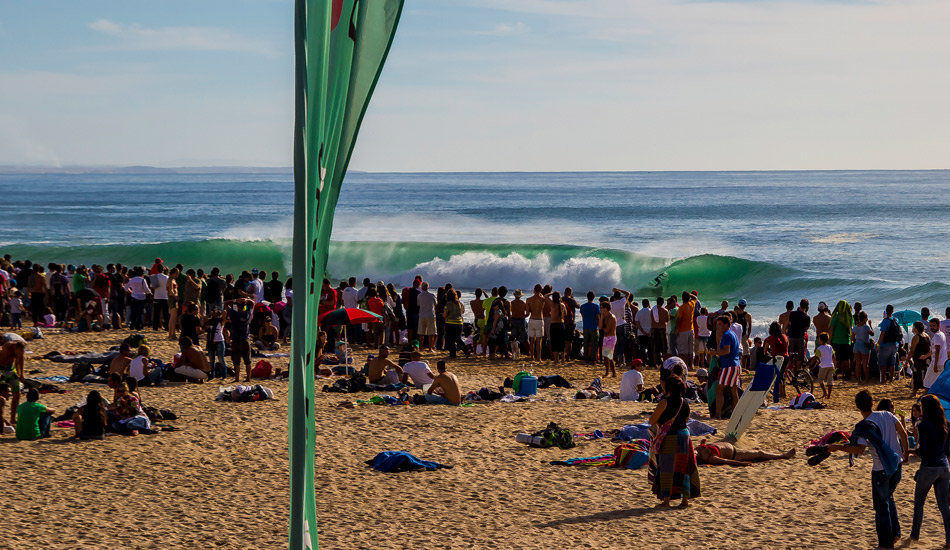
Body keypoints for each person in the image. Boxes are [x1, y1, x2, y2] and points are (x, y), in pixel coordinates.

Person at [828, 390, 909, 550]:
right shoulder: (887, 414)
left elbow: (859, 450)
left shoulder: (864, 427)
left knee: (881, 506)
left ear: (857, 407)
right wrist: (905, 453)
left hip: (881, 469)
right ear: (872, 403)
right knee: (889, 498)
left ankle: (885, 544)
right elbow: (903, 433)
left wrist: (837, 447)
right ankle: (895, 534)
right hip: (897, 465)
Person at [648, 375, 700, 508]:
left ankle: (666, 501)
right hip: (684, 436)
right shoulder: (685, 402)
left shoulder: (664, 402)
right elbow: (687, 420)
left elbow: (651, 421)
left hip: (670, 437)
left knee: (667, 468)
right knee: (683, 468)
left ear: (668, 388)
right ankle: (685, 500)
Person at [908, 394, 950, 546]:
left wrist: (912, 452)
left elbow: (922, 449)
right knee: (944, 505)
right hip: (944, 467)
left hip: (929, 467)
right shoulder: (945, 423)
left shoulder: (924, 425)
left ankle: (914, 536)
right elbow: (948, 449)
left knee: (919, 503)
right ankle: (949, 539)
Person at [710, 315, 741, 420]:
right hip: (735, 365)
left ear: (726, 324)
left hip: (728, 366)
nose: (718, 327)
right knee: (733, 391)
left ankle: (718, 414)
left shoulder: (727, 335)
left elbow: (726, 350)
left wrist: (715, 352)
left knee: (719, 389)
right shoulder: (732, 334)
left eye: (720, 325)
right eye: (717, 325)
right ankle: (735, 414)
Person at [694, 439, 796, 466]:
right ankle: (783, 456)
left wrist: (703, 443)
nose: (693, 452)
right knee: (760, 453)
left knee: (756, 451)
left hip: (732, 447)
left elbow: (703, 442)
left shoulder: (697, 449)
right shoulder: (709, 458)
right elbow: (726, 461)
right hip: (736, 455)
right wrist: (742, 464)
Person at [225, 298, 253, 383]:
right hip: (245, 339)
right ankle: (248, 377)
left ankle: (237, 378)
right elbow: (252, 303)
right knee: (247, 361)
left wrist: (235, 300)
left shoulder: (234, 314)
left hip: (236, 340)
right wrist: (246, 300)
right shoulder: (247, 314)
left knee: (236, 361)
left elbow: (225, 303)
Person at [0, 339, 26, 425]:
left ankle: (12, 417)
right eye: (19, 352)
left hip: (10, 370)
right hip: (1, 369)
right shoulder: (7, 347)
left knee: (17, 393)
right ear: (15, 348)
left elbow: (20, 361)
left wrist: (21, 374)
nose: (19, 354)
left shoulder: (21, 350)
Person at [830, 300, 855, 380]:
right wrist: (852, 340)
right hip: (846, 341)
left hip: (836, 341)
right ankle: (847, 374)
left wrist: (829, 339)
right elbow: (852, 330)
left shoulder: (836, 316)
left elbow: (831, 328)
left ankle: (835, 374)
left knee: (837, 359)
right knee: (846, 359)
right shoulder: (849, 316)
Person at [878, 305, 904, 383]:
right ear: (893, 311)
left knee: (883, 363)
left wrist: (878, 344)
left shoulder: (885, 321)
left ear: (886, 310)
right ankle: (891, 378)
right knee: (892, 362)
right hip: (894, 344)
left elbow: (882, 334)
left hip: (885, 345)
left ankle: (883, 379)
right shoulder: (896, 320)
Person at [787, 299, 811, 373]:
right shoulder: (807, 317)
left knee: (790, 355)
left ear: (800, 304)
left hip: (791, 337)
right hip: (800, 338)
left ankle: (789, 371)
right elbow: (806, 329)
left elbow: (790, 323)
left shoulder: (792, 314)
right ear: (807, 307)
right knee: (800, 357)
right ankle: (797, 372)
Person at [908, 322, 931, 398]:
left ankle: (914, 392)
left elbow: (912, 351)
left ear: (916, 329)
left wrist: (907, 360)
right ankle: (925, 391)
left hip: (919, 360)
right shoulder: (927, 336)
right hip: (927, 359)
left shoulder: (916, 337)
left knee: (916, 375)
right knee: (926, 375)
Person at [925, 317, 948, 390]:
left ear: (938, 326)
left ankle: (926, 397)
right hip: (942, 362)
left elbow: (937, 350)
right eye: (931, 326)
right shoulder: (941, 334)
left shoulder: (937, 336)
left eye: (934, 326)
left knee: (927, 382)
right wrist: (926, 356)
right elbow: (934, 350)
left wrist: (935, 365)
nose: (932, 327)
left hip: (937, 363)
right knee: (938, 382)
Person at [674, 291, 696, 368]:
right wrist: (690, 295)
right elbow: (695, 298)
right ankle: (692, 365)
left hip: (683, 330)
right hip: (691, 329)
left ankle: (686, 364)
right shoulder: (692, 304)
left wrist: (676, 329)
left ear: (682, 298)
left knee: (683, 349)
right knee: (690, 348)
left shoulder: (681, 308)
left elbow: (679, 320)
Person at [526, 284, 546, 362]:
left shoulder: (528, 299)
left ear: (534, 289)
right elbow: (546, 297)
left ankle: (531, 357)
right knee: (538, 340)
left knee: (532, 340)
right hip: (539, 320)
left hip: (531, 319)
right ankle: (538, 357)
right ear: (541, 290)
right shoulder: (542, 299)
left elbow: (527, 313)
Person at [853, 311, 875, 383]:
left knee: (858, 364)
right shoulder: (866, 327)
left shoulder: (855, 327)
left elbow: (852, 337)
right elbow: (872, 334)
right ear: (865, 318)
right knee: (865, 364)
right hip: (864, 345)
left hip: (857, 345)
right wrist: (870, 325)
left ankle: (859, 380)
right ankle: (866, 380)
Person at [580, 291, 601, 363]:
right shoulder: (596, 306)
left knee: (585, 344)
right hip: (594, 327)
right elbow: (598, 317)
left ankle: (585, 358)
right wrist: (599, 326)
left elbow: (582, 316)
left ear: (587, 297)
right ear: (594, 297)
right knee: (594, 344)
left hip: (585, 327)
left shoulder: (583, 306)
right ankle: (593, 359)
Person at [416, 282, 437, 353]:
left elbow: (418, 304)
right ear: (428, 287)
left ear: (422, 287)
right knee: (431, 333)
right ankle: (430, 349)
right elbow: (435, 304)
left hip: (422, 315)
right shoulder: (432, 295)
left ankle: (421, 347)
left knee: (421, 332)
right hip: (430, 315)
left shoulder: (419, 296)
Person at [815, 333, 835, 400]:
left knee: (820, 379)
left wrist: (810, 364)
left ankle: (824, 392)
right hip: (831, 365)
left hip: (823, 365)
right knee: (830, 380)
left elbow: (816, 357)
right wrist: (834, 364)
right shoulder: (830, 347)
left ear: (821, 340)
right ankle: (829, 395)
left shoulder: (819, 348)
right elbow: (833, 356)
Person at [549, 291, 568, 363]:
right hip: (561, 325)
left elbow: (545, 297)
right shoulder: (562, 305)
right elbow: (565, 313)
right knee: (561, 342)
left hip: (553, 325)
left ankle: (556, 359)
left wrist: (551, 293)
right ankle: (563, 359)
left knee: (554, 342)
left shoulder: (552, 304)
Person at [600, 301, 617, 378]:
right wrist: (602, 317)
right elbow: (600, 327)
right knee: (605, 356)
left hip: (611, 338)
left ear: (605, 308)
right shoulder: (604, 316)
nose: (600, 309)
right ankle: (607, 371)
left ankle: (613, 372)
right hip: (606, 337)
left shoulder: (611, 317)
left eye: (602, 307)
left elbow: (607, 330)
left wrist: (602, 325)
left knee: (609, 355)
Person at [166, 267, 180, 340]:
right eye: (176, 273)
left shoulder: (172, 279)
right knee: (173, 317)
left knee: (172, 317)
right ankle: (172, 334)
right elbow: (170, 290)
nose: (178, 274)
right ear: (173, 273)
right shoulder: (171, 280)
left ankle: (171, 334)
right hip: (172, 299)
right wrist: (175, 296)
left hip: (172, 298)